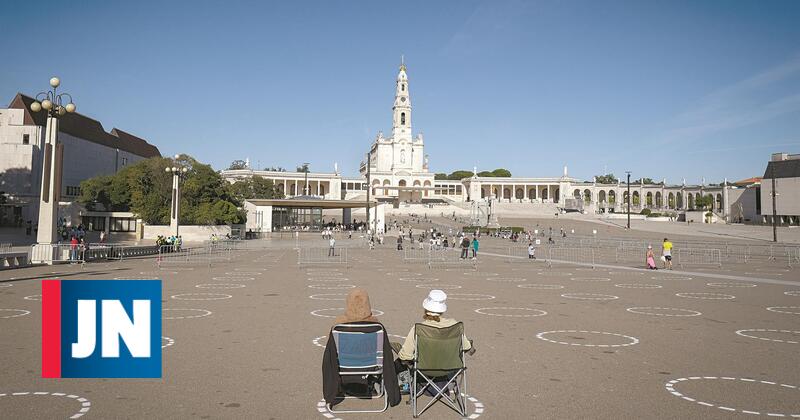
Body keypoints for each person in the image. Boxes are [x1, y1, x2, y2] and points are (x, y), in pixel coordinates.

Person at [323, 288, 400, 409]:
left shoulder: (338, 326)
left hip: (344, 367)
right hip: (370, 367)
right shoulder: (376, 327)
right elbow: (386, 356)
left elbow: (329, 355)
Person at [392, 290, 474, 391]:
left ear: (426, 308)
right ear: (442, 309)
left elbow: (405, 356)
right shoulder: (455, 325)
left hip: (424, 368)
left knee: (400, 358)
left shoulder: (418, 328)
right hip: (449, 367)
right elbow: (467, 347)